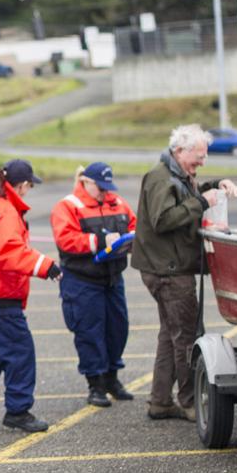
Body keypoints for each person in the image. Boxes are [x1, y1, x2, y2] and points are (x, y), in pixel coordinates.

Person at [132, 124, 237, 421]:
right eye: (199, 156)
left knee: (170, 334)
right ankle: (191, 401)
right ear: (179, 151)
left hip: (167, 267)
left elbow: (185, 196)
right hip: (168, 270)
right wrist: (204, 202)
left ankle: (160, 401)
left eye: (204, 157)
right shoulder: (159, 178)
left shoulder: (176, 174)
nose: (203, 162)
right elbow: (163, 219)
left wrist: (216, 184)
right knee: (186, 337)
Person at [0, 159, 62, 434]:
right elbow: (9, 252)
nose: (29, 189)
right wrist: (46, 266)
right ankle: (18, 411)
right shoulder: (6, 212)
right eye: (29, 184)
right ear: (21, 185)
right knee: (20, 353)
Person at [50, 162, 138, 408]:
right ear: (86, 182)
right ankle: (95, 384)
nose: (104, 193)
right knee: (89, 333)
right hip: (82, 281)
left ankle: (112, 379)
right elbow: (66, 240)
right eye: (100, 188)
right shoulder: (67, 206)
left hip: (112, 279)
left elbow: (134, 224)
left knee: (117, 329)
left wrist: (131, 240)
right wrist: (100, 240)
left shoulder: (117, 203)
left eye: (107, 188)